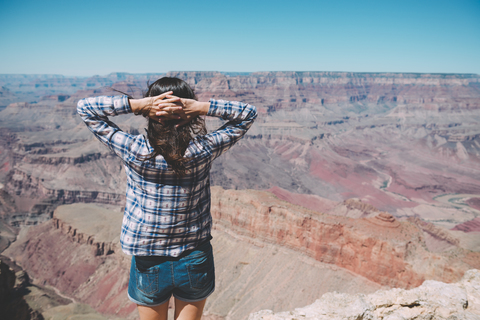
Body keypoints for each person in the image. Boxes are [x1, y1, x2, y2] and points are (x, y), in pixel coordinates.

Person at [77, 77, 257, 320]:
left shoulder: (135, 150)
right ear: (187, 112)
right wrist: (199, 107)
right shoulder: (202, 150)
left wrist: (140, 105)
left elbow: (86, 109)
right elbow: (247, 114)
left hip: (149, 261)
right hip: (194, 256)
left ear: (152, 112)